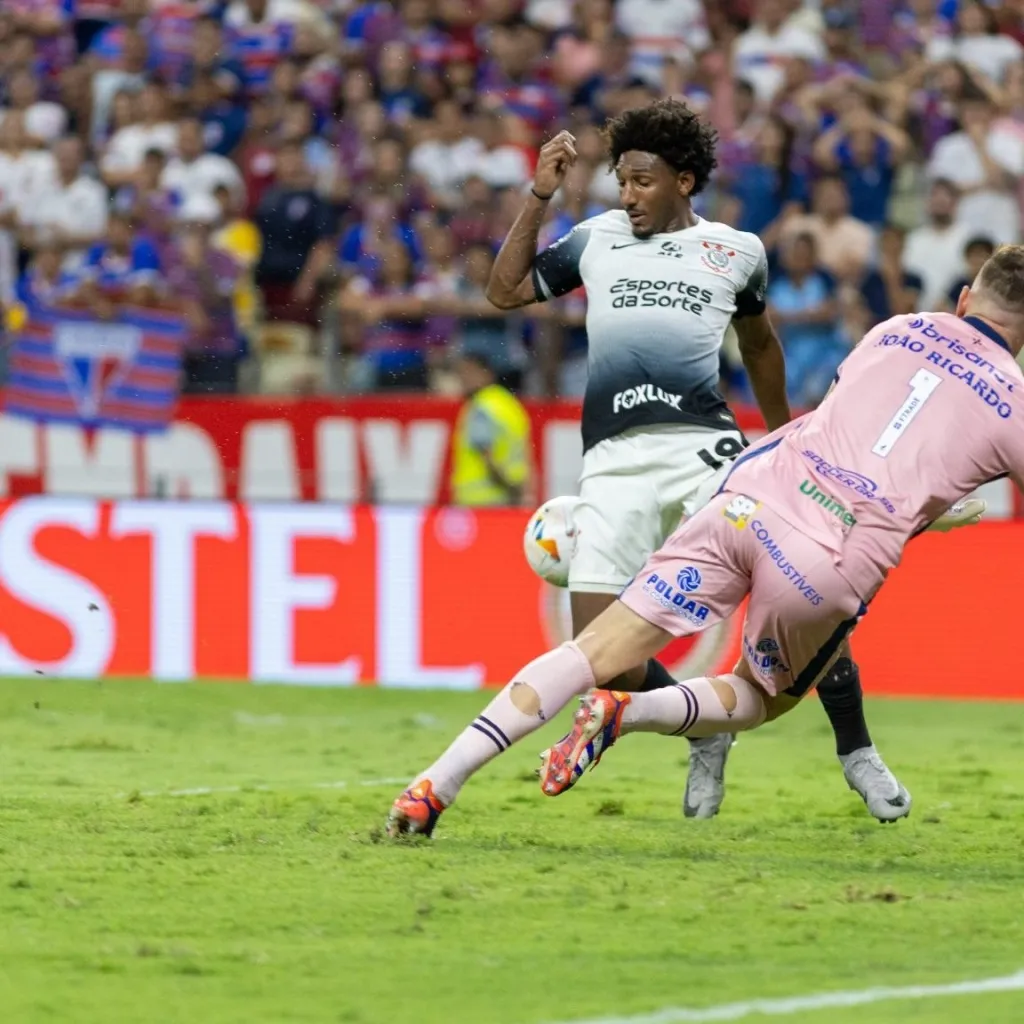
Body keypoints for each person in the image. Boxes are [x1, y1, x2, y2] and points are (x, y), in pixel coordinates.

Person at [385, 239, 1019, 837]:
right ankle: (628, 713)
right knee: (758, 698)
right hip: (827, 556)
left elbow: (847, 430)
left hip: (748, 499)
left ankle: (434, 784)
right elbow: (892, 465)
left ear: (965, 298)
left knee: (590, 651)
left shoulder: (897, 328)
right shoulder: (1013, 402)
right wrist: (925, 514)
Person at [407, 97, 906, 826]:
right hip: (613, 459)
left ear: (684, 180)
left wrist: (787, 441)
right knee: (600, 656)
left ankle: (856, 748)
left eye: (642, 181)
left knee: (804, 593)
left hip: (704, 449)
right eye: (621, 181)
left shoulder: (736, 251)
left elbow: (760, 346)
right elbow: (503, 291)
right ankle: (703, 727)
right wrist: (539, 194)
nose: (628, 196)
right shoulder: (594, 238)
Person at [449, 345, 532, 507]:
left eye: (469, 372)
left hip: (481, 501)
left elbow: (487, 457)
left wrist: (510, 488)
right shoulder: (509, 403)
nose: (463, 378)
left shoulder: (481, 406)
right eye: (461, 373)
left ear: (487, 373)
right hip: (507, 498)